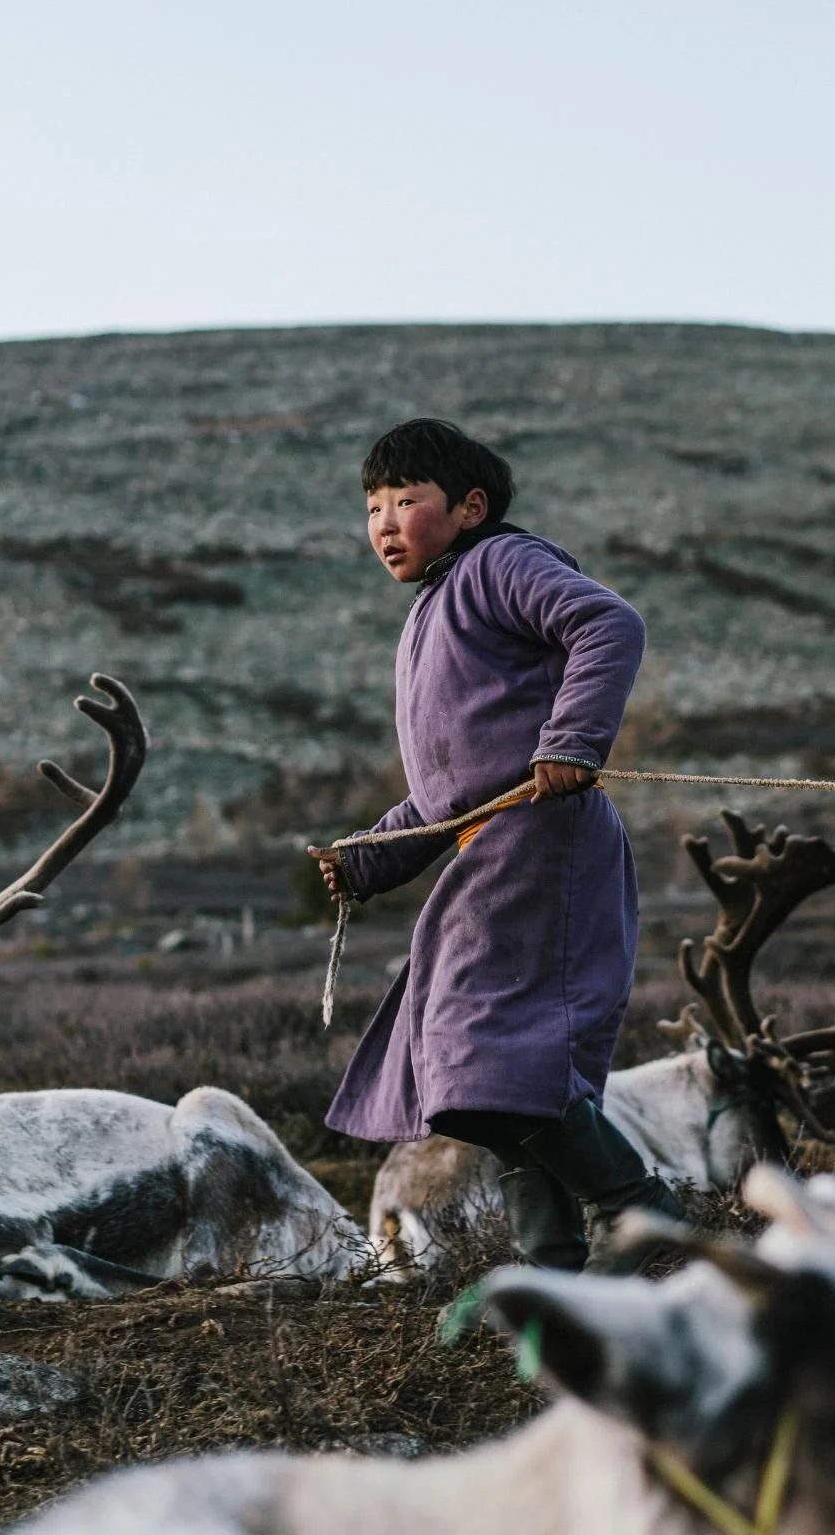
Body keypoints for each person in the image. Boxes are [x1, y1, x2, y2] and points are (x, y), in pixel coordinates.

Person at [309, 417, 683, 1271]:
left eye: (407, 500)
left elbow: (608, 624)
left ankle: (660, 1230)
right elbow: (449, 794)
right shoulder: (427, 614)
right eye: (371, 506)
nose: (385, 523)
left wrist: (572, 742)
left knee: (493, 1063)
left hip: (545, 846)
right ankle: (556, 1284)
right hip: (490, 856)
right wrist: (366, 856)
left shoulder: (499, 565)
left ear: (471, 507)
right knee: (486, 1090)